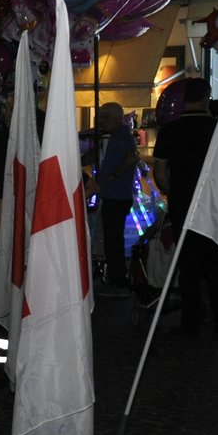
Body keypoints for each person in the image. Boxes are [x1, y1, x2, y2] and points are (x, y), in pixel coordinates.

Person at [152, 78, 218, 334]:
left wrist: (172, 191)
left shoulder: (170, 130)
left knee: (187, 264)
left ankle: (191, 319)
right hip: (214, 205)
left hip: (183, 204)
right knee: (215, 263)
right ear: (206, 97)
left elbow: (160, 171)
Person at [93, 102, 140, 298]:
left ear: (117, 118)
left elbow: (131, 158)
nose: (102, 121)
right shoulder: (118, 136)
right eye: (101, 117)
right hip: (115, 193)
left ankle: (118, 282)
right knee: (113, 239)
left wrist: (112, 176)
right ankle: (117, 279)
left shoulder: (121, 136)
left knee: (113, 241)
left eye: (106, 117)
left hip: (116, 194)